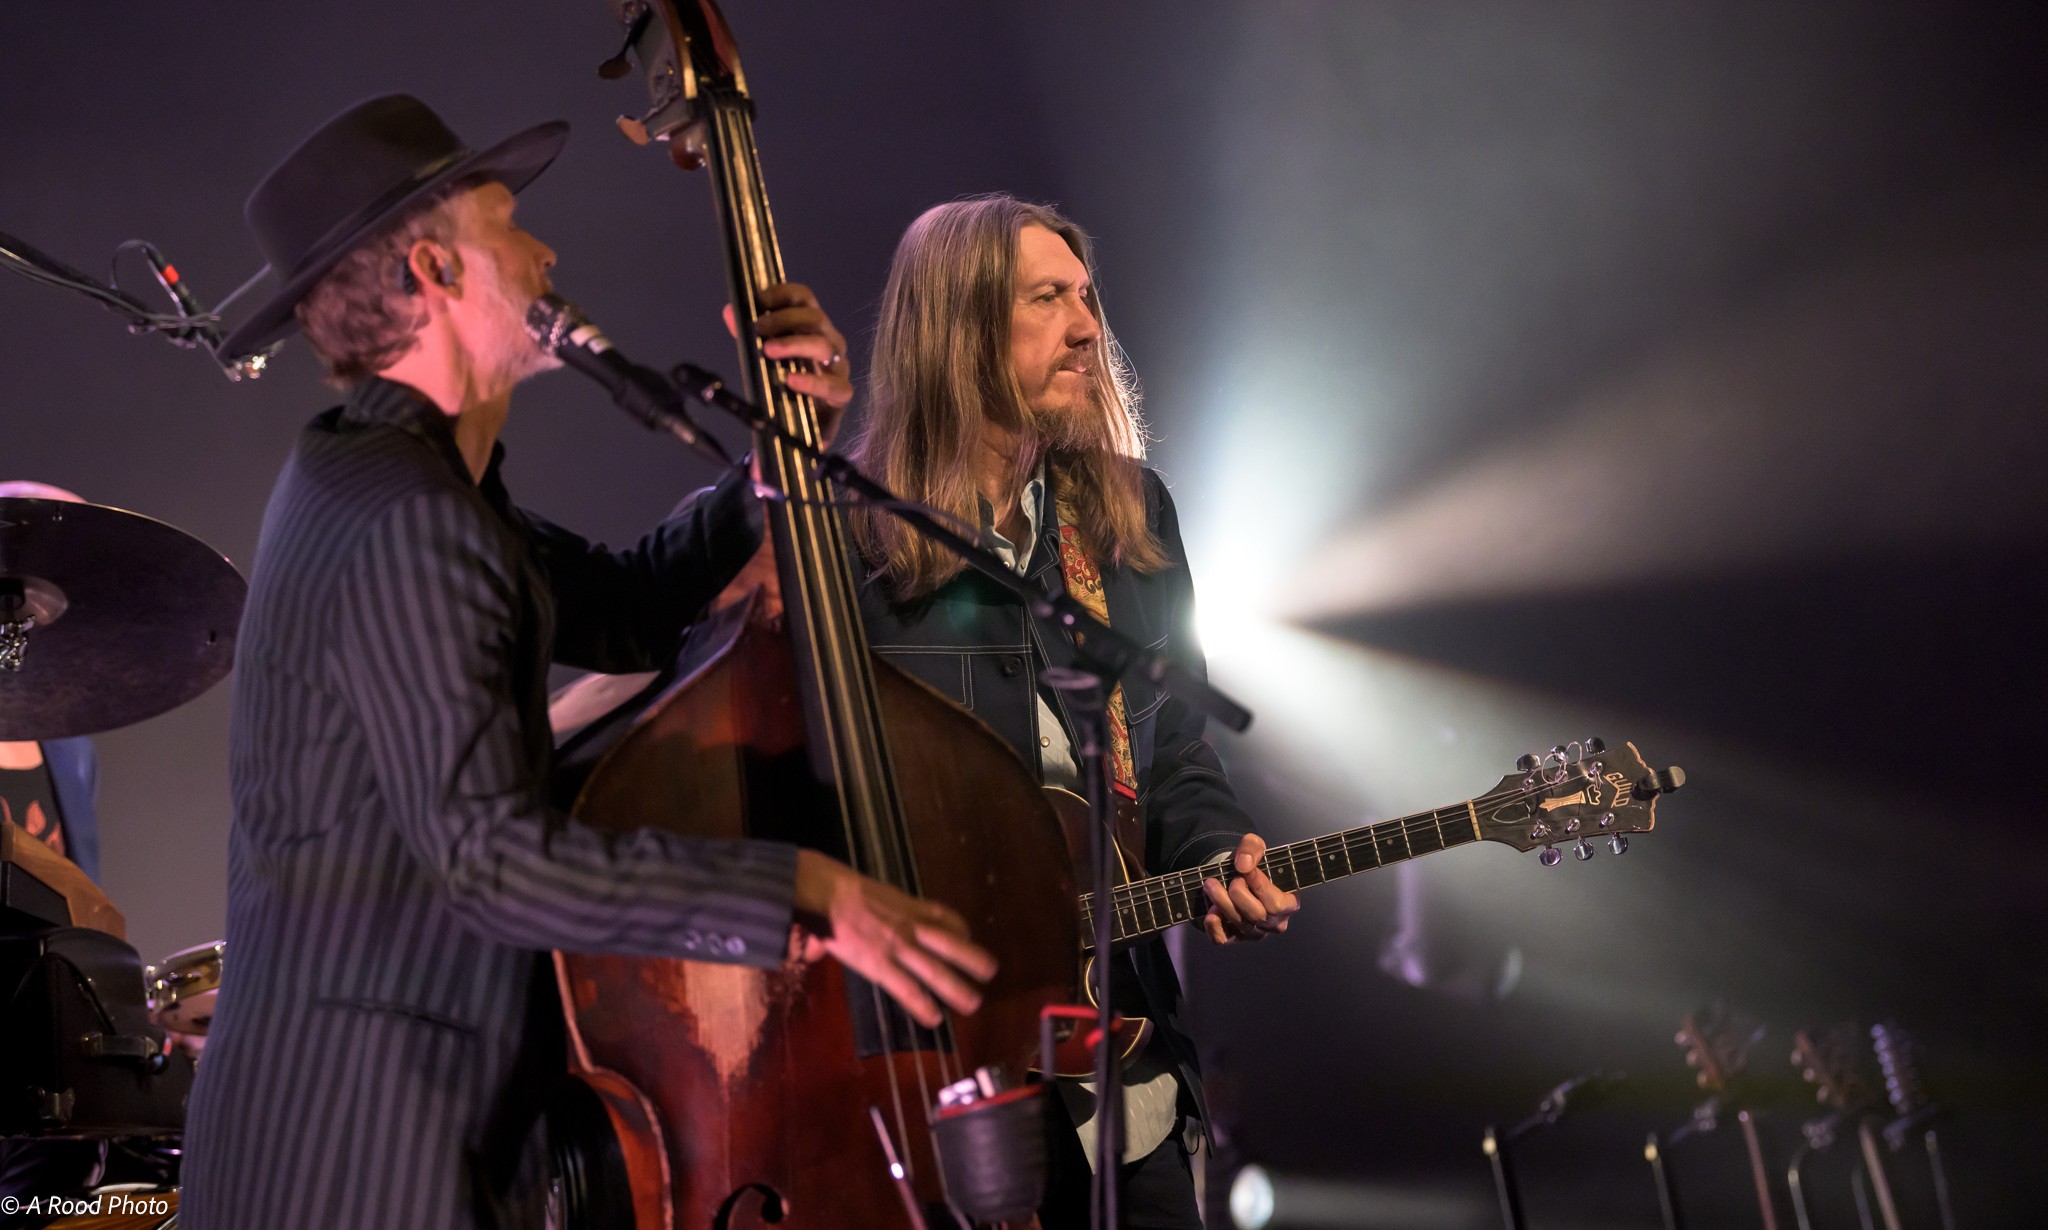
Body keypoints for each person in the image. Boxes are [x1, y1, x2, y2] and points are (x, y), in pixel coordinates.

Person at [178, 94, 995, 1230]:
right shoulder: (408, 514)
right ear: (434, 270)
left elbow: (622, 609)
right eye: (508, 225)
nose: (546, 253)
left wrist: (776, 455)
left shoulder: (395, 479)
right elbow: (491, 863)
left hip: (366, 1126)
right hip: (363, 1148)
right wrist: (805, 888)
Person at [846, 195, 1302, 1229]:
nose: (1088, 328)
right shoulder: (854, 542)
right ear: (957, 328)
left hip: (1123, 1088)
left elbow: (1171, 746)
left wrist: (1217, 847)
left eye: (1087, 298)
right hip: (938, 1091)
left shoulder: (1127, 512)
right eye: (1046, 299)